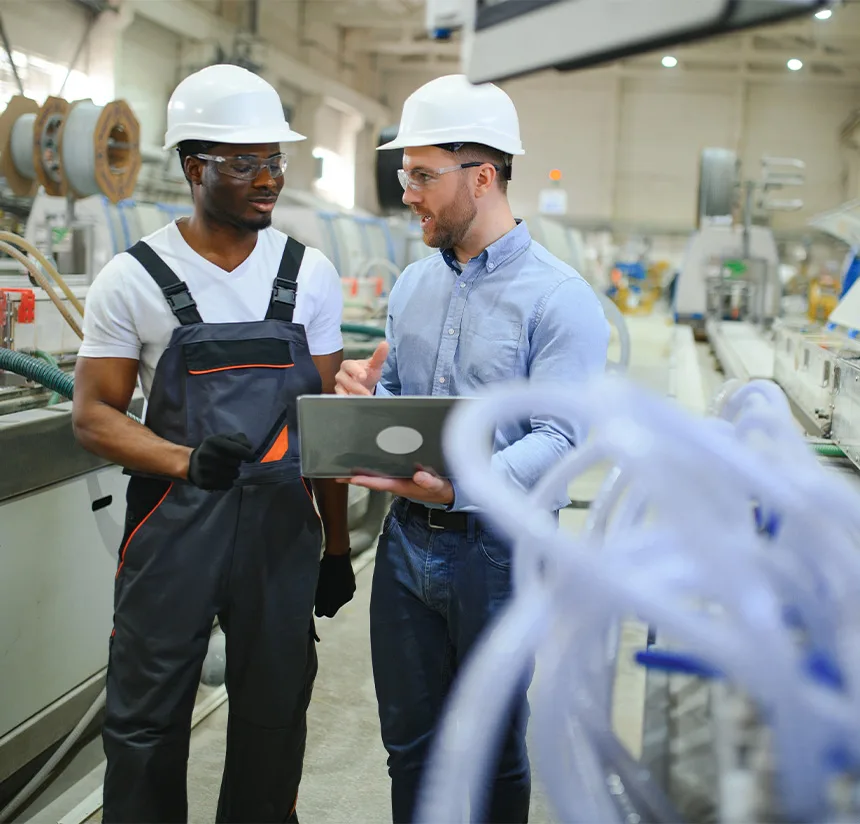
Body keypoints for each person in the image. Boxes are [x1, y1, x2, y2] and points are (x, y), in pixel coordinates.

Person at [72, 64, 356, 823]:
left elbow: (322, 426)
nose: (268, 181)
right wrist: (181, 461)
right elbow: (93, 415)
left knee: (272, 720)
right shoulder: (133, 279)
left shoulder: (310, 275)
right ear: (195, 168)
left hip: (279, 536)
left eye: (275, 162)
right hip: (174, 527)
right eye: (245, 163)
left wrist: (335, 549)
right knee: (144, 722)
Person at [335, 74, 610, 823]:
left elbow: (563, 438)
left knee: (488, 752)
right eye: (405, 177)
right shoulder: (413, 288)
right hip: (404, 546)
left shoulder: (559, 301)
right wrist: (367, 402)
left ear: (482, 176)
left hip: (497, 552)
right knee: (412, 748)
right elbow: (411, 419)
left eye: (423, 176)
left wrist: (463, 486)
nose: (409, 195)